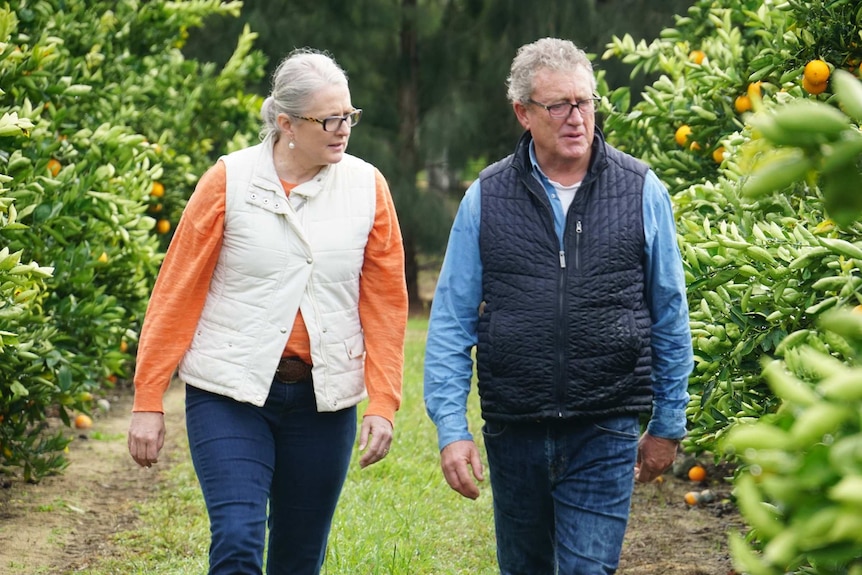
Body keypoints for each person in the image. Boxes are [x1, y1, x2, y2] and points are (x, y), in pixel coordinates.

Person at [127, 48, 408, 575]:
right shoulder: (228, 180)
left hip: (322, 403)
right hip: (229, 392)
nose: (343, 128)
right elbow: (177, 290)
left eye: (349, 115)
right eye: (329, 118)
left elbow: (386, 303)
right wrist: (148, 397)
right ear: (286, 123)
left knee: (299, 557)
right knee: (237, 539)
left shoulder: (368, 187)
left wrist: (383, 403)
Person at [423, 37, 693, 575]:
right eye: (559, 105)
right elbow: (452, 323)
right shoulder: (486, 197)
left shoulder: (641, 189)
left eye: (585, 102)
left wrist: (667, 421)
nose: (577, 118)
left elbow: (670, 313)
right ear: (523, 113)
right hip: (514, 427)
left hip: (606, 423)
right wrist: (452, 428)